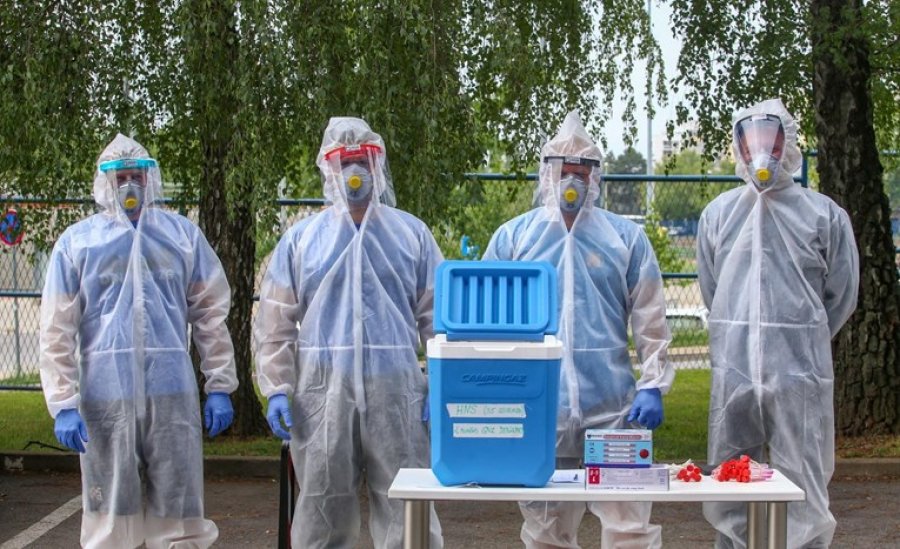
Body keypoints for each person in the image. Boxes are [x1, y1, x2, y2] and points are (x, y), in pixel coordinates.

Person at [483, 110, 674, 548]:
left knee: (628, 527)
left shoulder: (625, 239)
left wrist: (652, 383)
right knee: (546, 529)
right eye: (563, 171)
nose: (572, 182)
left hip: (614, 413)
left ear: (596, 178)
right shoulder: (515, 239)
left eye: (582, 173)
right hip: (540, 409)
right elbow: (489, 322)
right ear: (546, 175)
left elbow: (650, 316)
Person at [39, 134, 238, 549]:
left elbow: (210, 315)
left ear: (150, 180)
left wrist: (219, 384)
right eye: (121, 177)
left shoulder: (181, 236)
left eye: (136, 176)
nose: (129, 185)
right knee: (111, 510)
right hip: (106, 396)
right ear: (105, 182)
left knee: (179, 508)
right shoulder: (78, 243)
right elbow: (56, 327)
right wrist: (63, 403)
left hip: (171, 393)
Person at [254, 117, 444, 548]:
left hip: (397, 394)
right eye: (345, 162)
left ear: (378, 165)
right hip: (322, 395)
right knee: (323, 507)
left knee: (407, 506)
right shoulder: (303, 240)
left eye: (363, 161)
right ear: (329, 168)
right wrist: (278, 387)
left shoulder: (410, 234)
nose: (354, 172)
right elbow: (275, 321)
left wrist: (441, 380)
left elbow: (437, 316)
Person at [698, 98, 859, 548]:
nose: (761, 152)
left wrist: (803, 337)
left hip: (799, 370)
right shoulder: (719, 215)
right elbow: (713, 291)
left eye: (771, 141)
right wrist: (739, 333)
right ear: (738, 148)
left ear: (787, 144)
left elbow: (842, 294)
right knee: (731, 474)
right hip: (734, 369)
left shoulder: (823, 215)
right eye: (750, 142)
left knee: (803, 476)